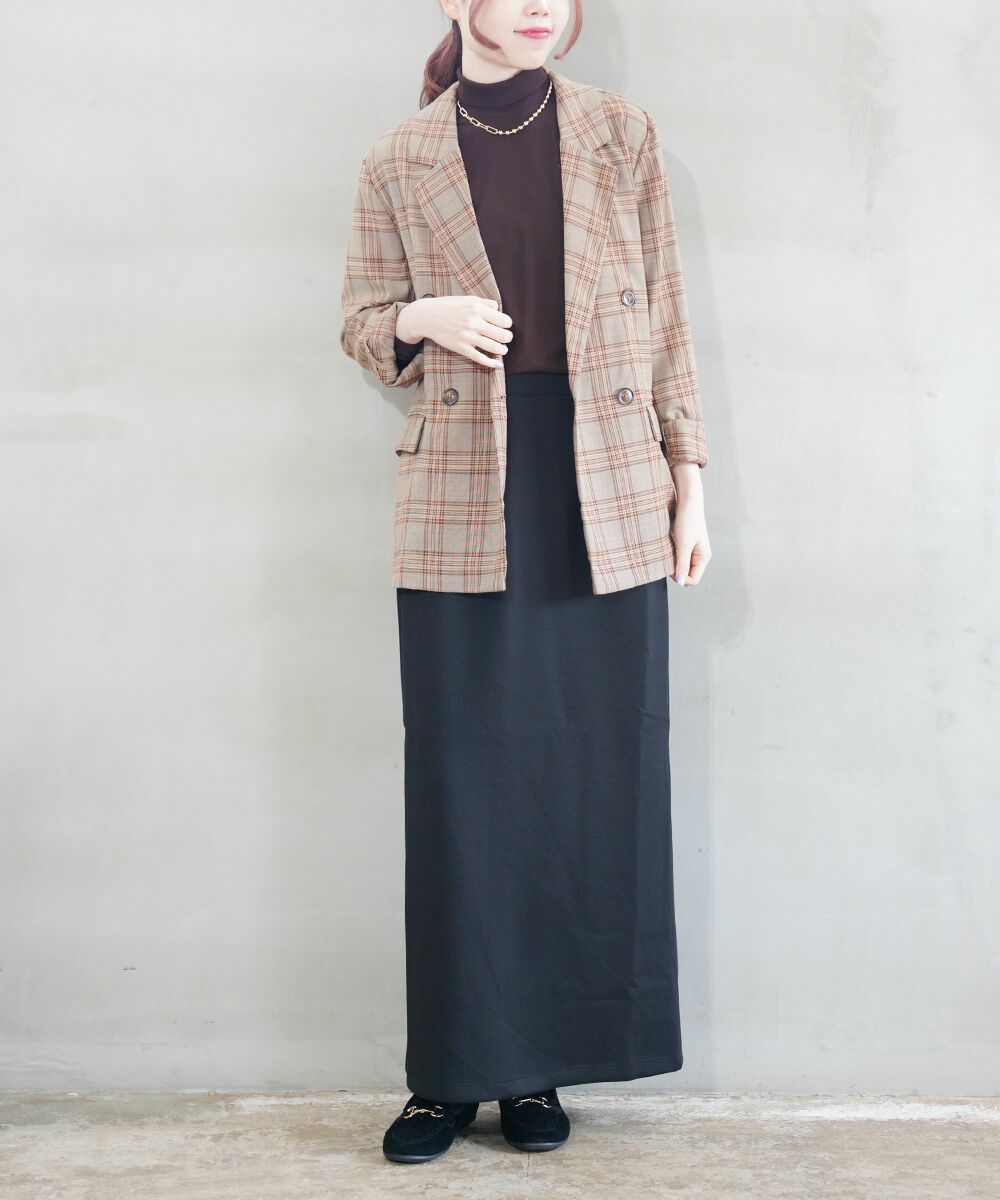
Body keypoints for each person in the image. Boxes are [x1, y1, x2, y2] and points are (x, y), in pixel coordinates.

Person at [340, 0, 712, 1165]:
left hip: (607, 477)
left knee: (589, 772)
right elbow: (360, 324)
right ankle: (451, 1076)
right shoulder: (400, 154)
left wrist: (689, 482)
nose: (541, 5)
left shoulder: (619, 132)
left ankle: (539, 1066)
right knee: (462, 778)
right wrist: (421, 315)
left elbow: (665, 316)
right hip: (462, 480)